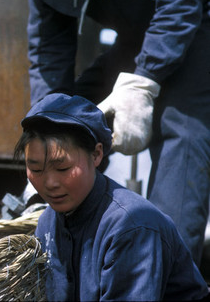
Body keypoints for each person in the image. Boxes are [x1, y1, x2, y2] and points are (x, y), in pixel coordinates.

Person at [19, 0, 210, 267]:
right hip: (135, 39)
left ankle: (165, 274)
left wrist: (144, 81)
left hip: (196, 24)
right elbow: (49, 49)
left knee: (181, 132)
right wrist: (45, 135)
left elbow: (181, 1)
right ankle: (73, 260)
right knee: (73, 118)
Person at [13, 93, 209, 301]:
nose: (50, 182)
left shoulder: (132, 226)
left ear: (96, 155)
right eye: (35, 168)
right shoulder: (47, 222)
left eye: (63, 168)